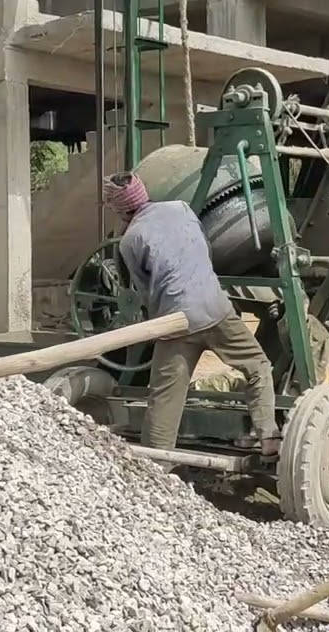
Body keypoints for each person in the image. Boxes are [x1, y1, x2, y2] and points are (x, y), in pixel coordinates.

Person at [104, 172, 280, 456]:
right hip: (215, 309)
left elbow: (144, 290)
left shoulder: (129, 241)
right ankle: (269, 437)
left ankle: (156, 468)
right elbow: (205, 250)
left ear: (119, 208)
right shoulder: (181, 208)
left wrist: (157, 323)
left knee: (164, 399)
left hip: (174, 322)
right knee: (257, 365)